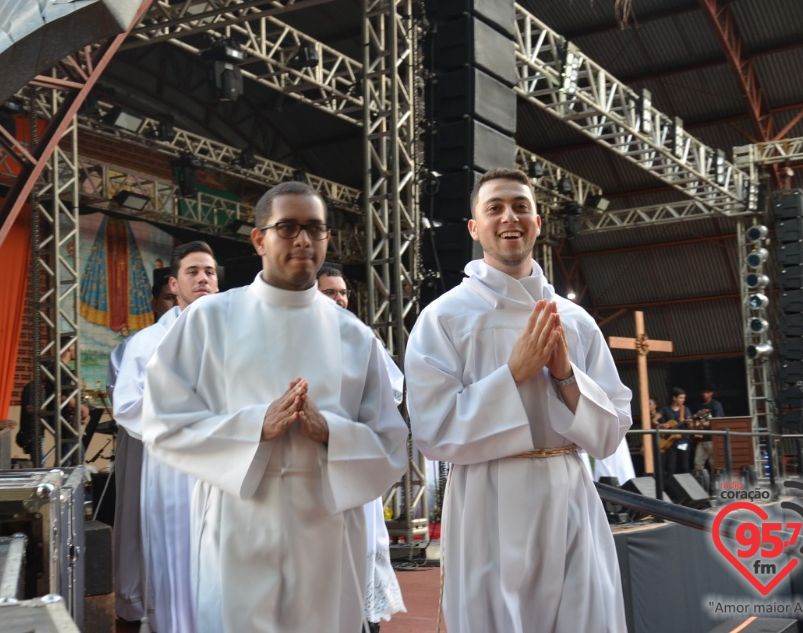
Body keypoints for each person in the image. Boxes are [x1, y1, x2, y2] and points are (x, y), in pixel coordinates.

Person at [143, 181, 409, 633]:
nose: (303, 240)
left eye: (315, 229)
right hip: (240, 519)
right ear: (259, 238)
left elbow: (389, 442)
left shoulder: (355, 336)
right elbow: (162, 422)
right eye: (287, 227)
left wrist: (333, 433)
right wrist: (254, 428)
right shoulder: (209, 320)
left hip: (328, 524)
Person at [404, 168, 632, 633]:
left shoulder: (576, 320)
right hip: (488, 499)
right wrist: (515, 373)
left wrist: (566, 376)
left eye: (520, 206)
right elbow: (433, 432)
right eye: (494, 208)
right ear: (475, 228)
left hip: (568, 492)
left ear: (538, 220)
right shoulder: (444, 318)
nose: (510, 217)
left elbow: (610, 434)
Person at [114, 243, 218, 633]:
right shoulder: (146, 343)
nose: (203, 278)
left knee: (222, 562)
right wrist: (183, 424)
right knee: (175, 563)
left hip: (224, 465)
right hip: (172, 467)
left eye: (209, 271)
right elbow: (126, 407)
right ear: (175, 284)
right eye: (193, 272)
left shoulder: (236, 337)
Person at [316, 267, 406, 631]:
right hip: (315, 463)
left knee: (364, 549)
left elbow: (393, 390)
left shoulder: (362, 337)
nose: (338, 299)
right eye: (329, 293)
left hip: (354, 454)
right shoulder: (300, 336)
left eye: (341, 292)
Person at [108, 266, 179, 625]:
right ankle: (133, 609)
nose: (173, 305)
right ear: (157, 301)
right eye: (167, 298)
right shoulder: (133, 347)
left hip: (191, 459)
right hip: (143, 451)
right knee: (139, 528)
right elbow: (125, 406)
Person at [17, 335, 88, 463]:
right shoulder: (57, 370)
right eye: (75, 346)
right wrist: (80, 407)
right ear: (70, 347)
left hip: (68, 423)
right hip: (63, 422)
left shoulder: (64, 370)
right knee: (67, 462)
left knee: (76, 459)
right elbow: (60, 396)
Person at [658, 387, 692, 479]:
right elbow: (654, 420)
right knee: (670, 468)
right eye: (681, 398)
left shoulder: (685, 410)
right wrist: (662, 425)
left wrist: (690, 423)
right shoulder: (665, 409)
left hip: (683, 441)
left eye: (684, 398)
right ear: (674, 398)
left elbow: (691, 427)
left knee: (684, 466)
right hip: (670, 443)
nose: (683, 400)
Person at [693, 382, 725, 472]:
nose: (704, 394)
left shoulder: (716, 405)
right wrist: (696, 424)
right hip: (701, 438)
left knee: (714, 464)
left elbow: (719, 421)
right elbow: (696, 418)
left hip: (712, 439)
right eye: (703, 392)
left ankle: (715, 485)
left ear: (711, 393)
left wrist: (706, 424)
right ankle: (701, 483)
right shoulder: (699, 404)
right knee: (697, 463)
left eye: (707, 392)